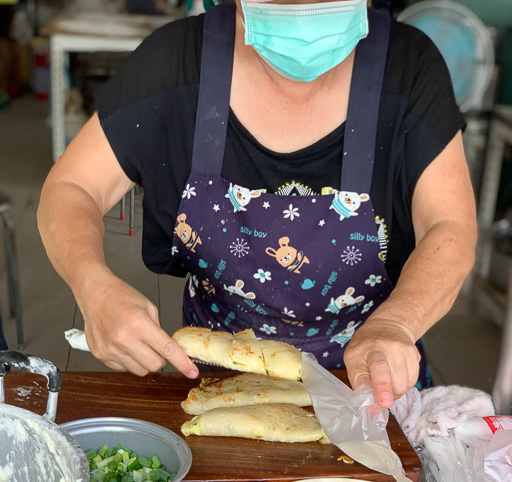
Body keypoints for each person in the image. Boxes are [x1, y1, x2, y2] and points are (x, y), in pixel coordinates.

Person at [37, 0, 477, 408]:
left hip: (372, 390)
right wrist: (92, 284)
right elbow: (73, 186)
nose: (303, 5)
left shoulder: (409, 69)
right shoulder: (174, 62)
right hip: (219, 385)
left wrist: (396, 325)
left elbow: (449, 227)